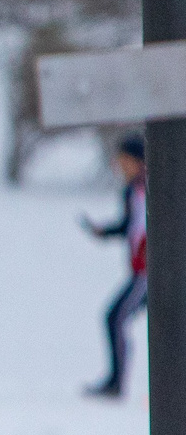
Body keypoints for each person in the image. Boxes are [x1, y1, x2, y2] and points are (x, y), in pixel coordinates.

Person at [86, 135, 148, 400]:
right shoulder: (130, 191)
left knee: (116, 317)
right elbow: (130, 226)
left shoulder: (156, 185)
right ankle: (115, 381)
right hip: (139, 270)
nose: (120, 165)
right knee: (114, 318)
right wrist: (104, 232)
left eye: (124, 160)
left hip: (149, 273)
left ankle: (116, 383)